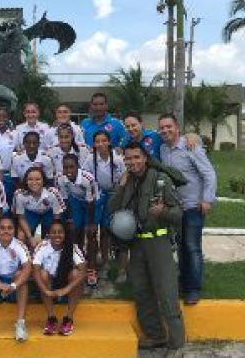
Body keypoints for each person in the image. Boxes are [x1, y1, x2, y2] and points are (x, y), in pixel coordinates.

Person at [107, 141, 185, 356]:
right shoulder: (128, 181)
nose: (132, 162)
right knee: (142, 292)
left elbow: (179, 213)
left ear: (145, 158)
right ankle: (156, 336)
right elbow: (112, 209)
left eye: (136, 157)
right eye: (128, 158)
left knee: (166, 292)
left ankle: (177, 344)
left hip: (158, 243)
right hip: (137, 244)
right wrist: (122, 185)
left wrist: (164, 212)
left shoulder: (161, 180)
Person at [159, 113, 216, 306]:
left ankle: (193, 288)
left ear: (177, 128)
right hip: (175, 208)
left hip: (193, 206)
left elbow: (209, 174)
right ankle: (184, 282)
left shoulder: (191, 146)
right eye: (162, 128)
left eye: (169, 127)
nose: (165, 130)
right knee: (181, 247)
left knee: (192, 247)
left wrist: (207, 199)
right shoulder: (162, 149)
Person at [81, 130, 125, 287]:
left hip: (112, 195)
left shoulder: (117, 159)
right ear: (93, 144)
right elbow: (85, 178)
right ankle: (94, 261)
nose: (100, 144)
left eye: (103, 141)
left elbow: (123, 177)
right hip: (96, 195)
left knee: (106, 230)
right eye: (97, 141)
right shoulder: (90, 159)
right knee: (93, 229)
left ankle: (106, 262)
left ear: (109, 142)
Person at [0, 216, 32, 343]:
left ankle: (20, 324)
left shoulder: (20, 245)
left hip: (13, 287)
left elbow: (28, 268)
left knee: (22, 278)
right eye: (2, 228)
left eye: (10, 228)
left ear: (14, 230)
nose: (6, 231)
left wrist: (13, 285)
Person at [33, 219, 86, 336]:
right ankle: (51, 318)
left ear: (65, 234)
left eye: (60, 232)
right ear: (49, 234)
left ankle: (68, 318)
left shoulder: (72, 247)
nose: (57, 235)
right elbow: (35, 271)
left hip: (66, 284)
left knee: (76, 274)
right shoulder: (42, 247)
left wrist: (66, 290)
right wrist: (46, 291)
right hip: (49, 284)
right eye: (54, 232)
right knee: (42, 274)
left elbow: (83, 271)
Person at [56, 154, 98, 263]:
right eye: (65, 167)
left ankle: (92, 266)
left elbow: (91, 201)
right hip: (76, 201)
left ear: (78, 166)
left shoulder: (87, 178)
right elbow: (64, 200)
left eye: (72, 167)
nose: (68, 170)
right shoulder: (60, 178)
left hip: (93, 203)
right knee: (75, 230)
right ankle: (79, 260)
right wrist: (69, 219)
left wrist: (90, 223)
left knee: (90, 233)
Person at [13, 167, 65, 249]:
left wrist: (51, 234)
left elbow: (57, 217)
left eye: (38, 179)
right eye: (30, 179)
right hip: (31, 213)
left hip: (49, 213)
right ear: (26, 181)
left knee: (56, 235)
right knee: (21, 236)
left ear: (43, 180)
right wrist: (30, 238)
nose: (34, 182)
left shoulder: (53, 193)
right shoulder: (19, 194)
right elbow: (21, 218)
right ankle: (26, 257)